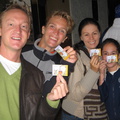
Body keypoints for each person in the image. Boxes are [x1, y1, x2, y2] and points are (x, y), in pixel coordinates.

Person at [0, 4, 69, 120]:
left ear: (28, 34)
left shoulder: (37, 74)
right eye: (11, 24)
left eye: (23, 26)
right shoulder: (27, 53)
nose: (17, 30)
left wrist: (51, 101)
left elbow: (37, 114)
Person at [62, 18, 108, 120]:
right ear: (81, 37)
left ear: (100, 34)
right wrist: (93, 71)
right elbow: (75, 95)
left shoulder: (103, 55)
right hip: (75, 114)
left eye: (94, 33)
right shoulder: (75, 57)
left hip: (99, 111)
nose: (91, 38)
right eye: (86, 34)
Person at [22, 10, 77, 97]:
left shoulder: (59, 63)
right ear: (43, 29)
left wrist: (67, 65)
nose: (56, 33)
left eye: (62, 31)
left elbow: (51, 95)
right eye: (52, 26)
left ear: (64, 39)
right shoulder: (21, 51)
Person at [99, 38, 120, 120]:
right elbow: (103, 97)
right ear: (102, 57)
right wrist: (101, 73)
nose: (109, 57)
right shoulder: (104, 76)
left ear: (118, 56)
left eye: (113, 53)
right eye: (106, 53)